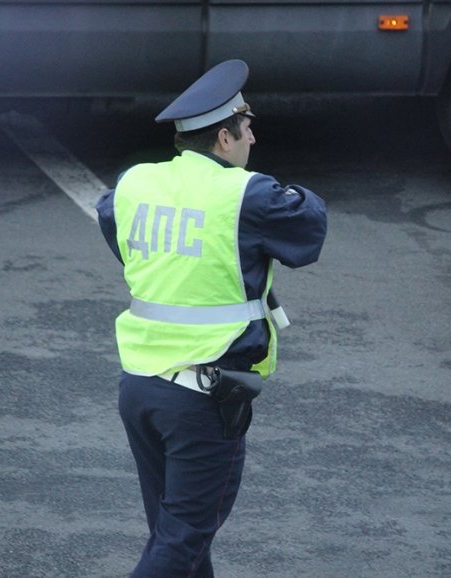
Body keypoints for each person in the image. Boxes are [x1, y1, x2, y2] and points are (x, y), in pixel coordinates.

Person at [95, 59, 327, 576]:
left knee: (176, 537)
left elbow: (116, 229)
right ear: (225, 138)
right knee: (180, 543)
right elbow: (309, 231)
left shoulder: (136, 183)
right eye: (247, 126)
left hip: (139, 390)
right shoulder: (246, 195)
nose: (253, 136)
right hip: (201, 403)